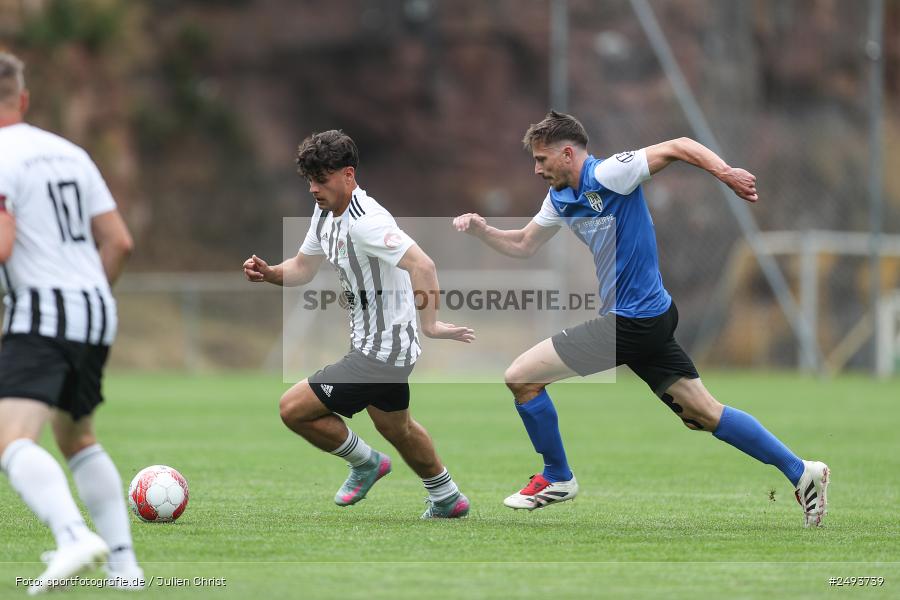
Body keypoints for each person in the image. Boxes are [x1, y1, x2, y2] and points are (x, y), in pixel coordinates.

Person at [453, 110, 829, 527]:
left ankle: (558, 477)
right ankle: (802, 472)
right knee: (704, 413)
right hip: (648, 318)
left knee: (521, 377)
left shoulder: (611, 173)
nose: (536, 169)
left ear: (566, 153)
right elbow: (524, 244)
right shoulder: (559, 198)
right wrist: (482, 231)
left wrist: (726, 173)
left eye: (542, 160)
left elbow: (679, 146)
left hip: (631, 322)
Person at [243, 130, 473, 519]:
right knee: (397, 428)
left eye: (323, 179)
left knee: (293, 408)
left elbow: (423, 264)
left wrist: (430, 324)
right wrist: (270, 273)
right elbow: (303, 267)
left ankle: (366, 463)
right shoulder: (324, 212)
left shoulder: (367, 222)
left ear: (348, 175)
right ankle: (448, 496)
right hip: (373, 344)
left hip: (384, 349)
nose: (314, 188)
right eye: (310, 180)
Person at [0, 52, 143, 595]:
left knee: (8, 439)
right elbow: (120, 241)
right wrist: (87, 300)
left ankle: (71, 535)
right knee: (76, 435)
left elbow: (3, 245)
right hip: (95, 307)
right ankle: (125, 570)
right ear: (24, 98)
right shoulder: (69, 152)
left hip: (41, 309)